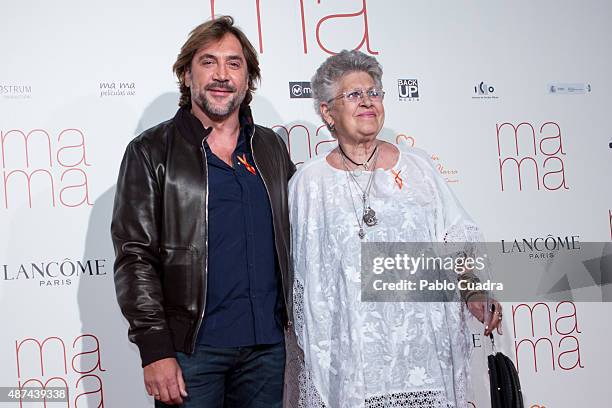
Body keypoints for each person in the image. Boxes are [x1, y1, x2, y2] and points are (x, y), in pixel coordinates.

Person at [286, 50, 502, 407]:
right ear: (327, 112)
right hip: (354, 363)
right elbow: (304, 278)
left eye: (373, 92)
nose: (367, 102)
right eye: (353, 95)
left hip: (426, 354)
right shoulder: (309, 184)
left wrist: (473, 293)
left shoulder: (419, 170)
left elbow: (454, 242)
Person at [111, 16, 295, 407]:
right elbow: (135, 256)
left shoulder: (271, 149)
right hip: (192, 352)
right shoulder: (151, 151)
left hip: (266, 350)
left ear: (248, 81)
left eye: (234, 63)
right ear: (186, 75)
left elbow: (301, 235)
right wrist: (156, 348)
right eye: (208, 62)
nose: (221, 75)